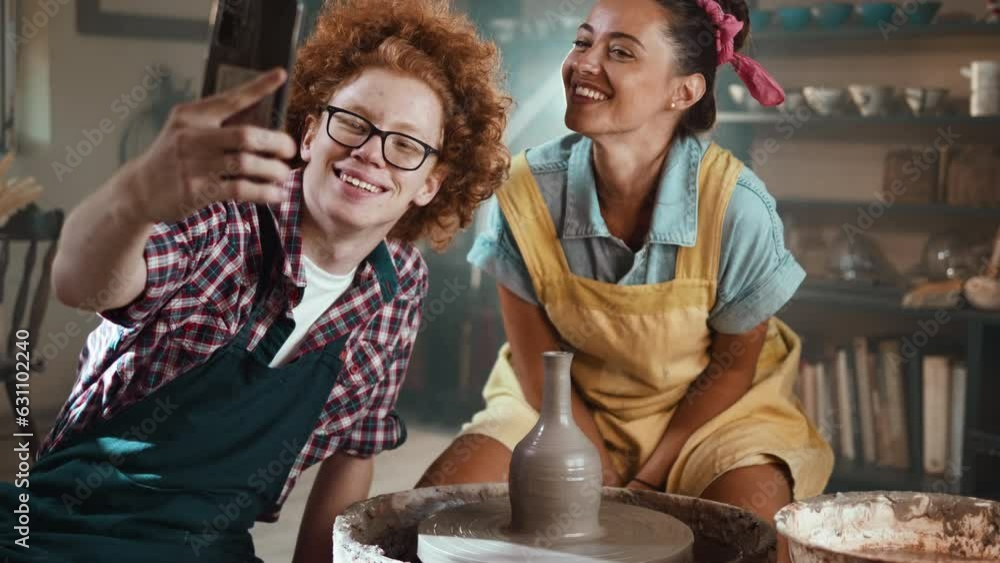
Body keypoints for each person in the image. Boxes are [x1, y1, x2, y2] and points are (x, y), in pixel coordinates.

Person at [0, 1, 509, 561]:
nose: (370, 153)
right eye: (352, 123)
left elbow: (353, 453)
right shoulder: (228, 212)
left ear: (429, 185)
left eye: (406, 144)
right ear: (311, 133)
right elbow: (84, 286)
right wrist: (135, 200)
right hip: (56, 524)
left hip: (211, 546)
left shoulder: (399, 284)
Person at [417, 0, 832, 560]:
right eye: (583, 41)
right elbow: (535, 361)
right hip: (558, 401)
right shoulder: (523, 191)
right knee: (435, 517)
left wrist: (650, 479)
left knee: (749, 537)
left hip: (711, 418)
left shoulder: (736, 206)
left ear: (683, 91)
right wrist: (598, 471)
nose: (585, 63)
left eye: (619, 52)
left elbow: (733, 367)